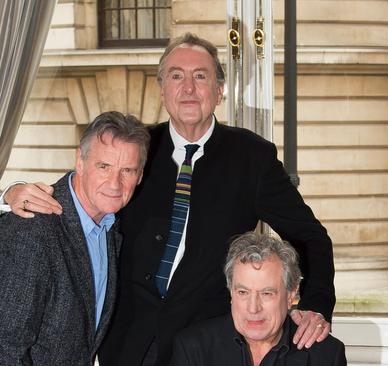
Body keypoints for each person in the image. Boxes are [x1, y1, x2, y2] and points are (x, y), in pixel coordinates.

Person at [0, 33, 335, 366]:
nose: (187, 88)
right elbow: (85, 187)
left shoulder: (252, 158)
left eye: (200, 76)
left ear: (219, 91)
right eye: (176, 76)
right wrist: (12, 193)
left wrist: (314, 307)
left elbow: (311, 237)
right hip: (126, 344)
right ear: (162, 90)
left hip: (205, 347)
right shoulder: (139, 147)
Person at [0, 112, 149, 364]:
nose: (115, 183)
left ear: (141, 175)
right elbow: (5, 349)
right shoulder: (32, 229)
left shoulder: (110, 227)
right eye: (104, 166)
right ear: (79, 160)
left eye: (128, 170)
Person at [169, 232, 346, 366]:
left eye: (267, 293)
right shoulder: (193, 348)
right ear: (231, 292)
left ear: (291, 294)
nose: (253, 308)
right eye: (243, 292)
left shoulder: (325, 355)